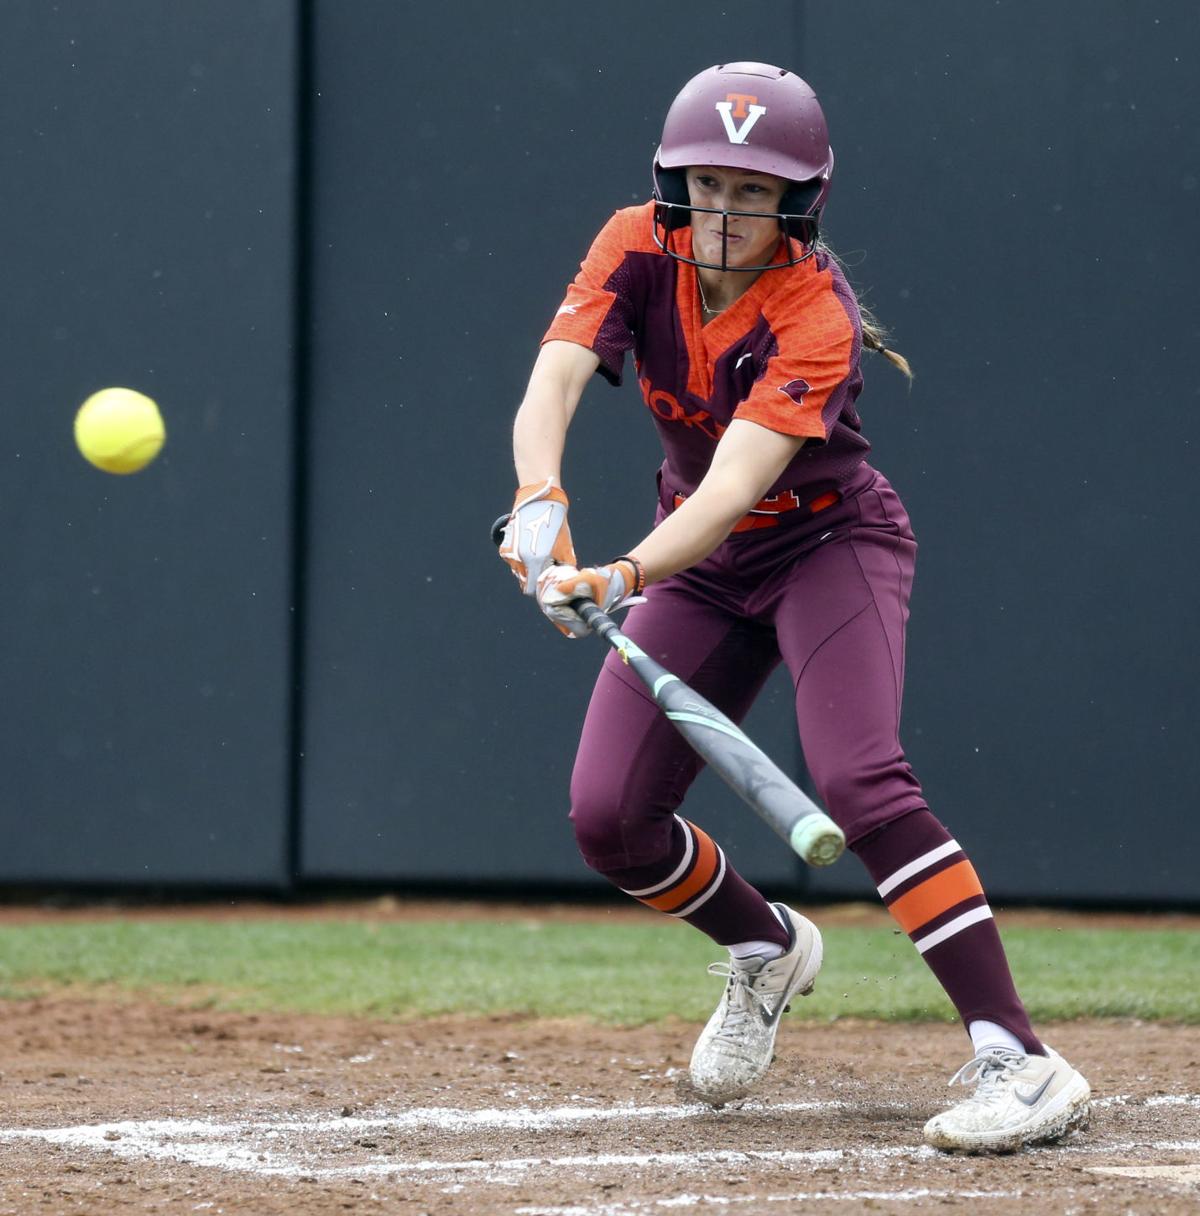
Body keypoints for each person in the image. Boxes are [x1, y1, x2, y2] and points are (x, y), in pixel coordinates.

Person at [497, 62, 1090, 1153]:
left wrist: (618, 575)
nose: (726, 212)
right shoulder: (635, 240)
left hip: (828, 546)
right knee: (608, 820)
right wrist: (540, 498)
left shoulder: (816, 310)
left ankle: (1021, 1056)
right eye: (709, 186)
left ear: (798, 205)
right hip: (705, 568)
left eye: (755, 191)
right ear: (675, 187)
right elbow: (556, 379)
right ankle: (764, 946)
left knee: (861, 777)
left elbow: (729, 491)